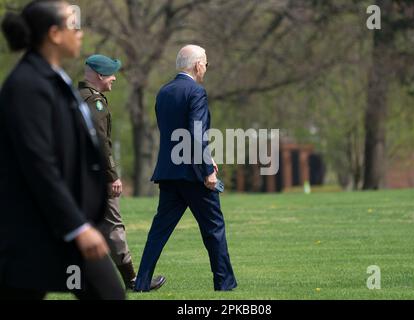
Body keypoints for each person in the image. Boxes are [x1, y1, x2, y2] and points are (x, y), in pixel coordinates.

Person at [0, 0, 124, 300]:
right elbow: (38, 164)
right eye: (73, 25)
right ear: (55, 34)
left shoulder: (53, 78)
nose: (80, 33)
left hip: (63, 227)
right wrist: (78, 227)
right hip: (40, 232)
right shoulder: (27, 86)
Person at [134, 45, 237, 292]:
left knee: (159, 231)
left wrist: (206, 158)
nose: (206, 68)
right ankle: (224, 283)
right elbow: (197, 133)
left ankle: (142, 282)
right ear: (198, 64)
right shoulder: (196, 92)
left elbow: (174, 134)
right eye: (206, 64)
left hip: (170, 172)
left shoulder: (163, 92)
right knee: (214, 229)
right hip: (193, 175)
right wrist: (208, 171)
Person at [78, 55, 166, 291]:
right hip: (95, 176)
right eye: (112, 73)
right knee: (113, 225)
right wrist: (111, 176)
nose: (115, 77)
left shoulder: (76, 97)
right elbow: (101, 143)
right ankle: (132, 280)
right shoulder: (94, 103)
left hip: (77, 176)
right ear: (99, 75)